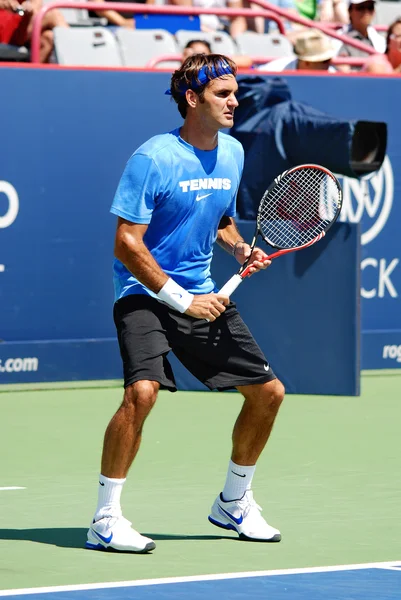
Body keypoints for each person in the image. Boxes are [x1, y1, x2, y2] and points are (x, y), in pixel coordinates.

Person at [86, 53, 285, 553]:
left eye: (236, 92)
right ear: (192, 100)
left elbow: (218, 218)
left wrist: (239, 246)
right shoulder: (152, 158)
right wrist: (180, 300)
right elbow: (127, 243)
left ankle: (233, 502)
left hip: (202, 291)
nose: (235, 101)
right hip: (144, 293)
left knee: (269, 394)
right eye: (223, 94)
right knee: (143, 393)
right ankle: (105, 518)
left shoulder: (233, 153)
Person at [0, 0, 68, 62]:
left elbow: (36, 6)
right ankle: (73, 60)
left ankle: (34, 74)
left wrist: (29, 6)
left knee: (48, 37)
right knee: (54, 14)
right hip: (5, 25)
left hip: (21, 22)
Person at [258, 28, 337, 71]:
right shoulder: (274, 71)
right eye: (325, 61)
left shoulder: (332, 75)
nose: (330, 63)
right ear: (306, 62)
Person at [182, 37, 253, 67]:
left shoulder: (218, 66)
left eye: (203, 54)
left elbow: (248, 60)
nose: (200, 57)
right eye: (195, 54)